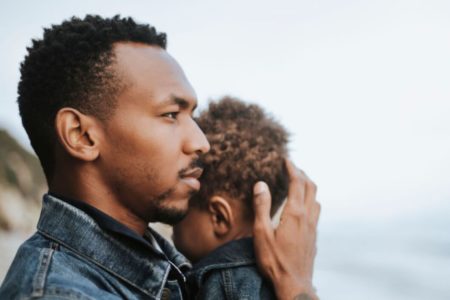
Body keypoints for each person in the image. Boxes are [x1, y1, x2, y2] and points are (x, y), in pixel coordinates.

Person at [0, 15, 320, 300]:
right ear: (81, 136)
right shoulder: (63, 293)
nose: (201, 142)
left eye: (192, 116)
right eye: (170, 114)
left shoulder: (167, 270)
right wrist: (295, 286)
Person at [173, 97, 290, 299]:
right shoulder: (277, 281)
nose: (175, 218)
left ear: (219, 216)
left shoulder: (220, 283)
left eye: (184, 199)